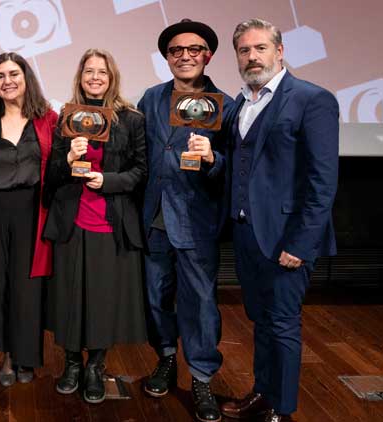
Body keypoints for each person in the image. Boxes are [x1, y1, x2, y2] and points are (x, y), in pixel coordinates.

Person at [220, 19, 339, 422]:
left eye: (260, 48)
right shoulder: (240, 104)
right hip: (247, 235)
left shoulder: (312, 99)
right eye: (244, 50)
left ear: (280, 51)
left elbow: (322, 181)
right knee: (261, 322)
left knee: (284, 324)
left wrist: (302, 244)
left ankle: (281, 411)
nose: (252, 57)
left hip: (287, 239)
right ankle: (263, 393)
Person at [137, 19, 233, 422]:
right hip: (153, 214)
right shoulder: (151, 98)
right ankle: (165, 358)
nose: (185, 56)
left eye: (194, 50)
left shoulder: (226, 105)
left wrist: (213, 160)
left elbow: (236, 166)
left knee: (200, 302)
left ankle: (202, 377)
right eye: (176, 51)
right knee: (155, 296)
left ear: (207, 55)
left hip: (196, 219)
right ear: (167, 57)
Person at [43, 48, 148, 403]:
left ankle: (95, 367)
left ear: (111, 76)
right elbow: (53, 175)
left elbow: (140, 171)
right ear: (80, 76)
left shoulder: (131, 119)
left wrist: (110, 181)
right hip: (71, 221)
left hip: (110, 221)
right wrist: (68, 157)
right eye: (89, 71)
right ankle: (72, 363)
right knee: (70, 297)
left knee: (103, 301)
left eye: (101, 71)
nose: (95, 78)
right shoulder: (65, 118)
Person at [0, 52, 56, 386]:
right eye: (0, 76)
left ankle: (26, 357)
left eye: (13, 74)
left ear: (26, 78)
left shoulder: (49, 119)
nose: (7, 81)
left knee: (28, 287)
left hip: (34, 211)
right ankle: (6, 355)